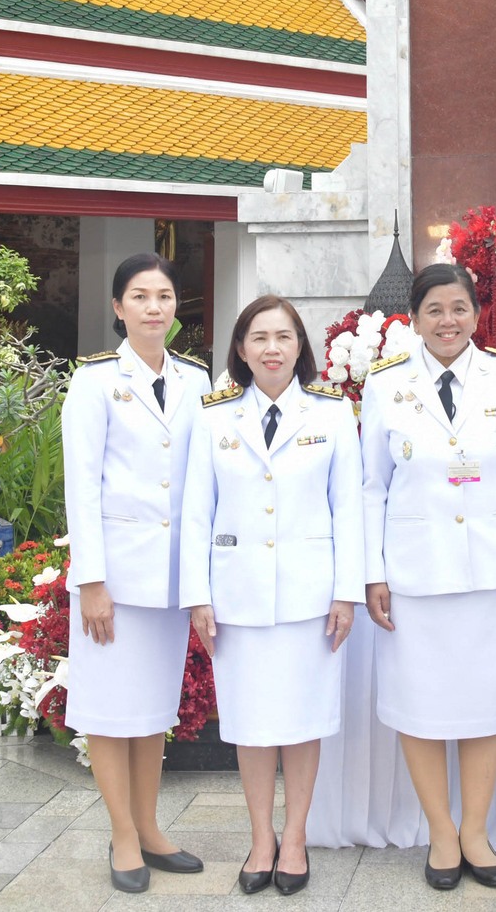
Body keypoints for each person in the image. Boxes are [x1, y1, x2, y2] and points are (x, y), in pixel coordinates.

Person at [361, 262, 496, 890]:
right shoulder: (386, 384)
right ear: (414, 318)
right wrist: (372, 572)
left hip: (495, 568)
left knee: (487, 701)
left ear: (477, 314)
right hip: (415, 571)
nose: (448, 321)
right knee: (420, 703)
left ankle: (476, 832)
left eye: (459, 308)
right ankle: (441, 832)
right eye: (435, 310)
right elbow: (371, 485)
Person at [181, 295, 363, 896]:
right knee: (251, 723)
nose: (272, 349)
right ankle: (262, 838)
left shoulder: (332, 414)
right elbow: (196, 512)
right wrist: (198, 595)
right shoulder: (214, 418)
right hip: (238, 595)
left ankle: (297, 837)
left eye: (284, 337)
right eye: (259, 337)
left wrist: (347, 592)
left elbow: (349, 509)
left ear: (300, 346)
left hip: (312, 597)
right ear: (241, 348)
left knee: (304, 720)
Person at [62, 252, 213, 893]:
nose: (155, 308)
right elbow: (81, 486)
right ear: (118, 307)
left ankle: (150, 828)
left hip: (171, 577)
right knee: (108, 709)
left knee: (152, 709)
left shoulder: (197, 380)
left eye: (165, 296)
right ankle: (123, 834)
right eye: (141, 296)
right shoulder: (95, 381)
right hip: (116, 579)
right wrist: (91, 581)